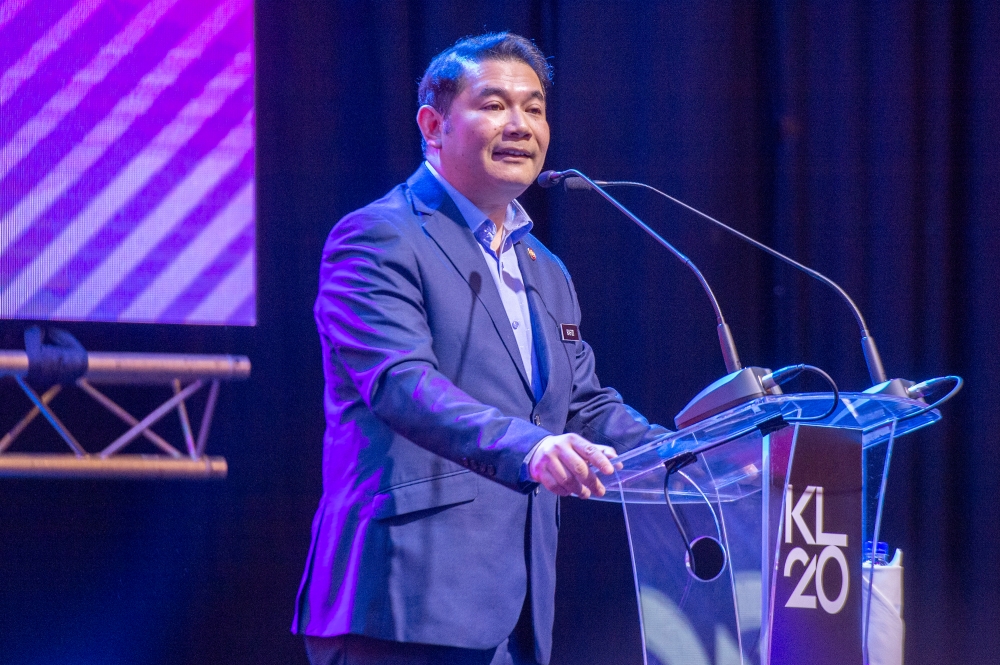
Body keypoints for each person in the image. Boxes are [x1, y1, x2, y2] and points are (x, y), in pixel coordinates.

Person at [293, 32, 666, 665]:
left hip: (514, 613)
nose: (520, 124)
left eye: (535, 107)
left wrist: (700, 459)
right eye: (494, 105)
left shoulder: (544, 268)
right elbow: (400, 384)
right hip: (403, 599)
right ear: (433, 125)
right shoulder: (377, 237)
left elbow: (584, 406)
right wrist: (533, 447)